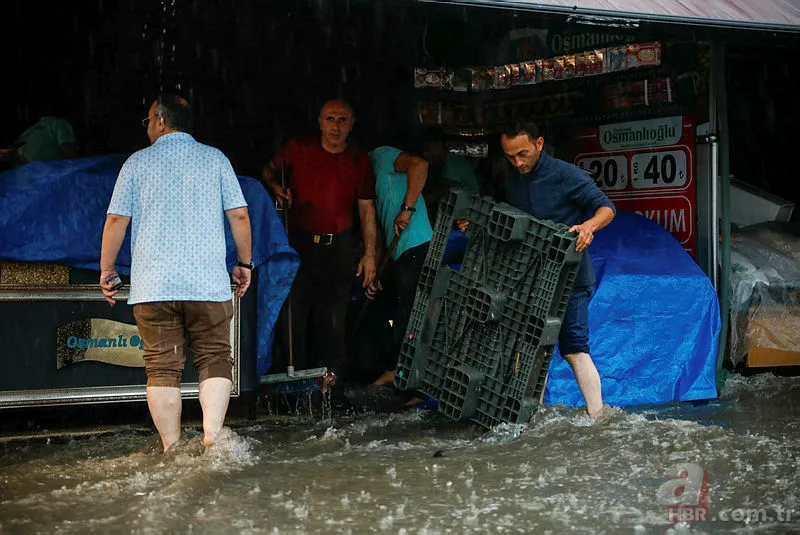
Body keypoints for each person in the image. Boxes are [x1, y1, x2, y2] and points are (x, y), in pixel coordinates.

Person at [99, 94, 253, 452]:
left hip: (154, 286)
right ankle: (212, 436)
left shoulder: (137, 163)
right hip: (207, 285)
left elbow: (116, 219)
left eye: (148, 121)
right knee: (215, 357)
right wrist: (244, 263)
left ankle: (171, 448)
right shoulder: (215, 159)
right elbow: (239, 214)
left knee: (161, 367)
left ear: (160, 120)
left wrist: (107, 269)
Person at [499, 121, 615, 418]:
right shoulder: (510, 178)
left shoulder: (566, 174)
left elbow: (606, 208)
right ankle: (531, 417)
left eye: (523, 154)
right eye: (510, 157)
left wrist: (588, 226)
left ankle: (598, 417)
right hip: (530, 277)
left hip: (570, 277)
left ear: (539, 144)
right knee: (531, 348)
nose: (518, 163)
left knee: (575, 348)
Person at [261, 99, 377, 383]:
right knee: (293, 317)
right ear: (320, 123)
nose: (336, 126)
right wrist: (277, 188)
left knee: (333, 320)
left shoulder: (359, 160)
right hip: (298, 244)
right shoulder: (298, 150)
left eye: (342, 120)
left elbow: (366, 208)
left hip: (339, 247)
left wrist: (370, 254)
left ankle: (331, 385)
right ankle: (294, 384)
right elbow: (268, 171)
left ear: (351, 125)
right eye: (330, 119)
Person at [364, 146, 432, 387]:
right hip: (398, 253)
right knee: (380, 306)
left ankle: (404, 376)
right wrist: (377, 272)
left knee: (410, 312)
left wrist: (406, 209)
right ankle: (393, 368)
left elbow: (420, 165)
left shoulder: (380, 155)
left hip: (416, 244)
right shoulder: (366, 178)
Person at [419, 125, 480, 223]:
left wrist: (418, 204)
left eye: (427, 149)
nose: (425, 154)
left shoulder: (452, 161)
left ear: (439, 144)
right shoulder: (445, 164)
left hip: (469, 213)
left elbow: (441, 190)